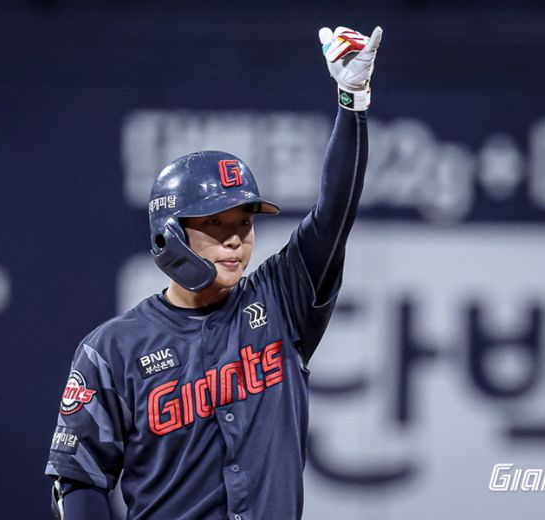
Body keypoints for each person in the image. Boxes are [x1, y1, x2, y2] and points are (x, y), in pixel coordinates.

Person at [45, 24, 383, 520]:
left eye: (244, 223)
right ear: (168, 235)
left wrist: (352, 103)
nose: (235, 239)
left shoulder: (281, 301)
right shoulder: (112, 350)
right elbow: (77, 479)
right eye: (214, 224)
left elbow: (334, 213)